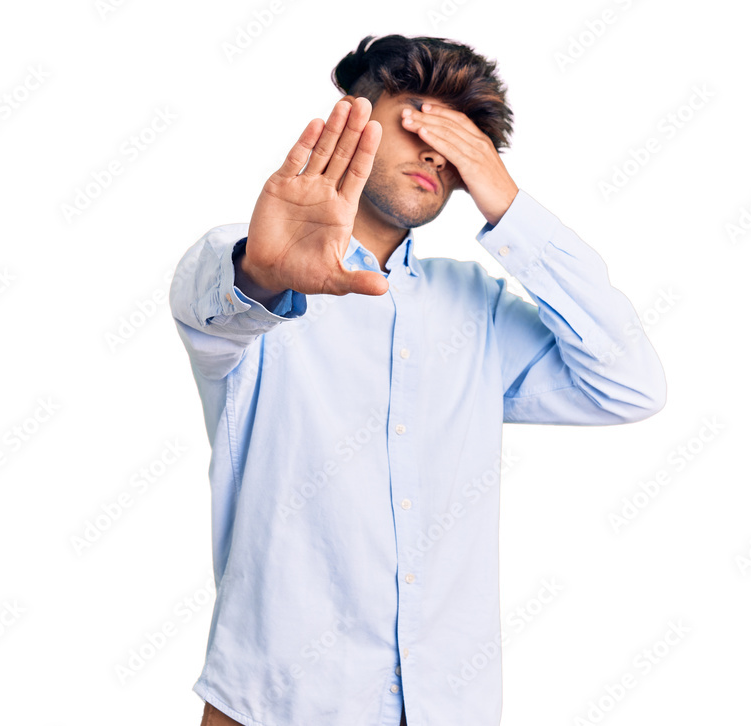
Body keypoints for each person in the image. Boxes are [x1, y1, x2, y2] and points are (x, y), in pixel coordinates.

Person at [170, 33, 666, 726]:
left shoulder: (479, 309)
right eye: (418, 118)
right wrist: (262, 273)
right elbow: (216, 308)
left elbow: (631, 383)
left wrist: (510, 206)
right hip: (276, 707)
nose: (437, 149)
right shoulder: (250, 267)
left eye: (464, 139)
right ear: (355, 118)